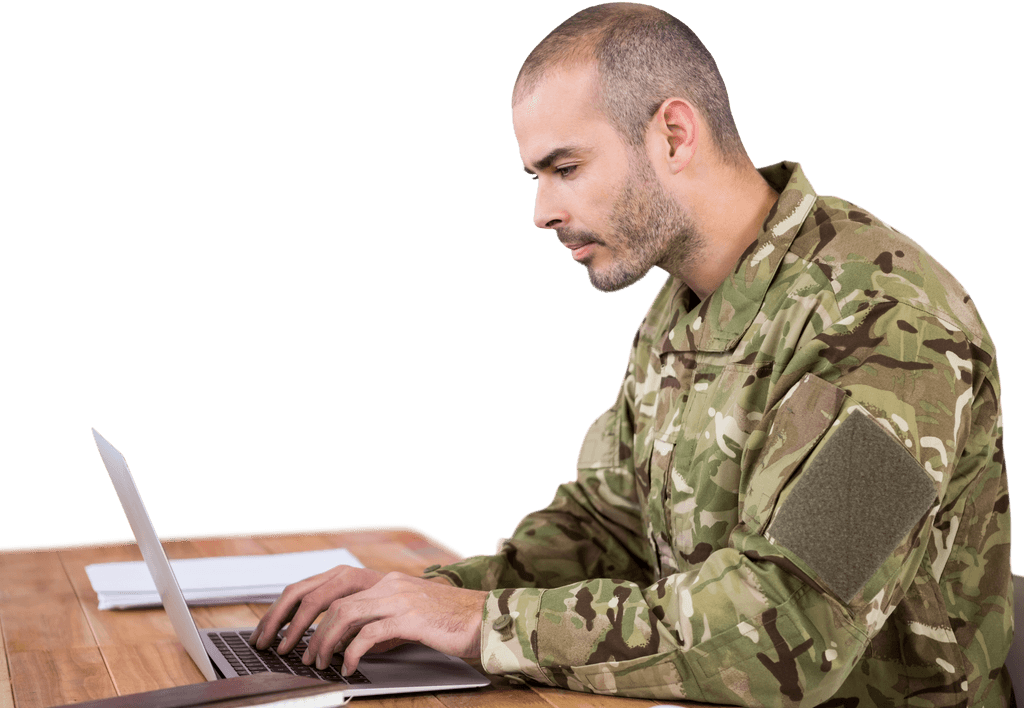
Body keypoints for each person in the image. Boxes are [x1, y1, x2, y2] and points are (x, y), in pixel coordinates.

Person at [250, 4, 1013, 705]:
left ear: (673, 135)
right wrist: (412, 601)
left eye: (566, 168)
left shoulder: (893, 326)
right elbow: (611, 526)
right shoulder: (682, 303)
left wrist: (487, 622)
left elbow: (790, 630)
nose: (542, 210)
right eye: (536, 176)